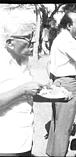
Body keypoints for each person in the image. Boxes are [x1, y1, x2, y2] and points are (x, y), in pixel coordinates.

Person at [0, 21, 48, 156]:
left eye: (34, 35)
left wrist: (50, 93)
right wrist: (23, 89)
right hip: (1, 146)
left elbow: (25, 95)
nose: (35, 41)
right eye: (29, 37)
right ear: (10, 42)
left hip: (24, 141)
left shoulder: (24, 60)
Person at [46, 11, 76, 157]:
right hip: (68, 82)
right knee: (64, 125)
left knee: (57, 122)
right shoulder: (68, 40)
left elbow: (49, 64)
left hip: (59, 80)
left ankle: (52, 152)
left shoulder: (60, 38)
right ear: (69, 25)